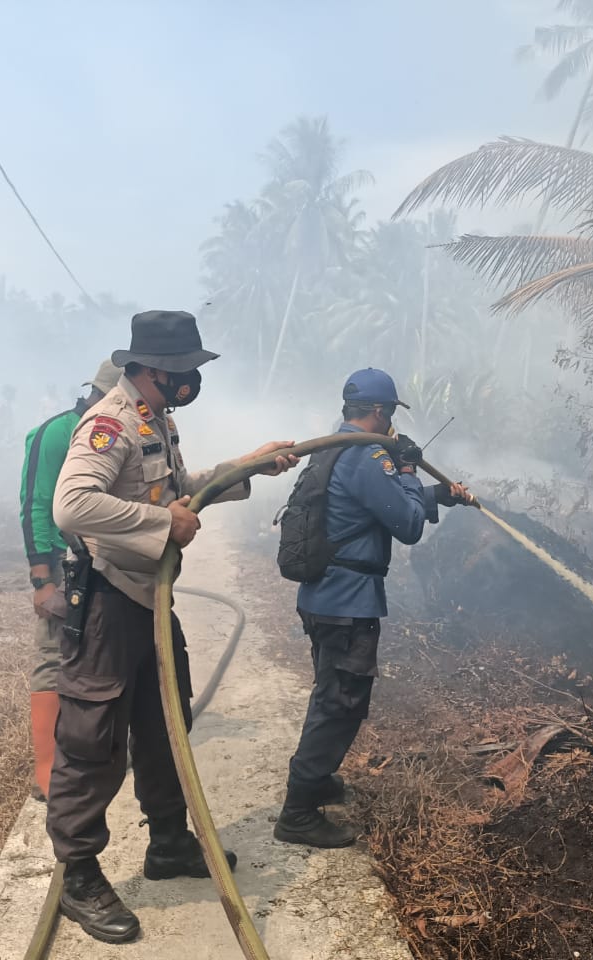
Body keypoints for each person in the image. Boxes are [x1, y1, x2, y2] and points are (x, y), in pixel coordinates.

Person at [48, 309, 299, 944]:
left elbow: (177, 486)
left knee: (166, 723)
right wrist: (163, 528)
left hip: (147, 602)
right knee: (94, 740)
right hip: (109, 604)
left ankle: (167, 844)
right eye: (187, 372)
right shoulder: (109, 422)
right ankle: (79, 874)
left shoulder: (155, 417)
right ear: (155, 370)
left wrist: (245, 466)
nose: (194, 381)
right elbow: (71, 504)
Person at [275, 368, 474, 848]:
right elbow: (405, 524)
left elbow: (368, 509)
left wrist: (437, 494)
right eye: (391, 418)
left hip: (326, 597)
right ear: (382, 413)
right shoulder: (369, 457)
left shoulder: (336, 447)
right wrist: (405, 469)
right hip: (347, 601)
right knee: (339, 704)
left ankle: (316, 780)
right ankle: (298, 811)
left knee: (331, 694)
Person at [18, 360, 122, 801]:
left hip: (106, 561)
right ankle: (48, 769)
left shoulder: (118, 434)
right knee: (52, 655)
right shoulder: (59, 433)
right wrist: (42, 578)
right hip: (64, 563)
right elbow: (37, 505)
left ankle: (93, 751)